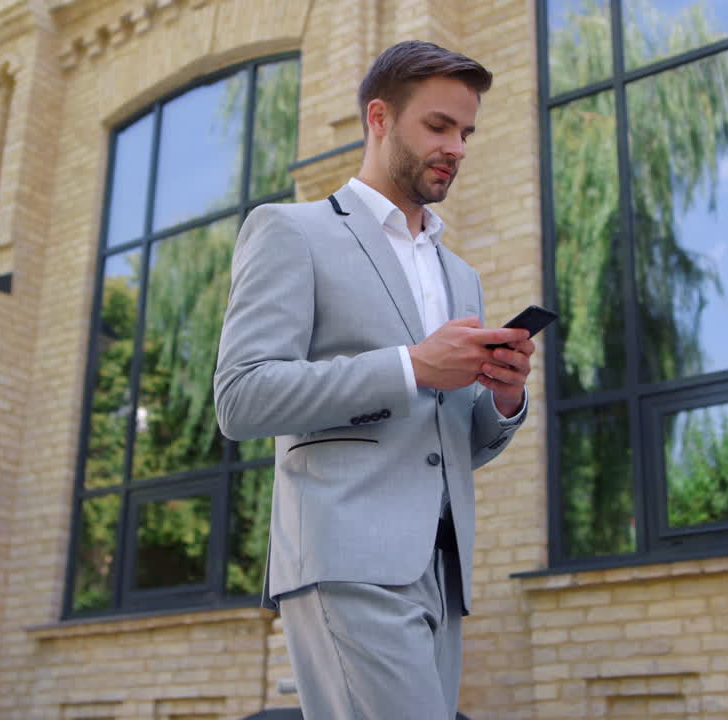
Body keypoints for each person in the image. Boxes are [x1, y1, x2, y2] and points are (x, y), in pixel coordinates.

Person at [214, 40, 534, 719]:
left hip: (443, 572)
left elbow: (447, 441)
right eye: (439, 126)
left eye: (467, 132)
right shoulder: (290, 232)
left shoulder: (460, 275)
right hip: (345, 556)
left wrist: (502, 400)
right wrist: (411, 366)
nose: (458, 147)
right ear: (380, 118)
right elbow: (242, 398)